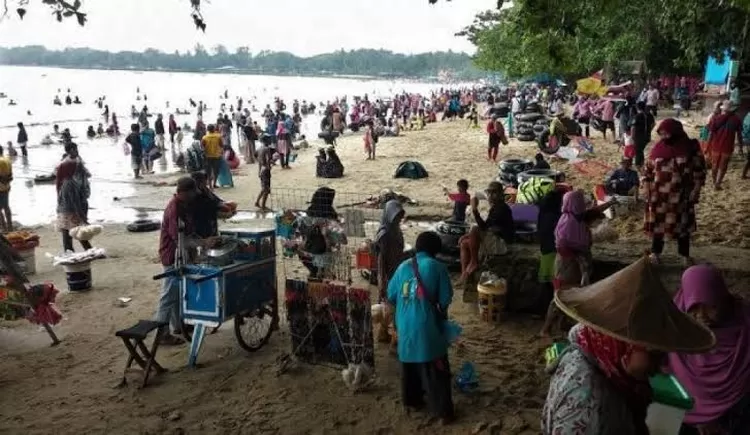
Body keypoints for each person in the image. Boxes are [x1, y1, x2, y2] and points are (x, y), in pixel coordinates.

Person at [543, 256, 716, 434]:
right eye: (655, 354)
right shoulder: (586, 404)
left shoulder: (594, 353)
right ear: (623, 346)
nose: (658, 367)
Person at [670, 264, 750, 435]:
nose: (702, 315)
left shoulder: (745, 330)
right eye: (694, 308)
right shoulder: (675, 334)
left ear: (722, 299)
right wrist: (700, 418)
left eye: (710, 306)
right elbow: (668, 381)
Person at [386, 231, 455, 425]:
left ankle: (413, 402)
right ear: (436, 250)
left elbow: (391, 295)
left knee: (409, 366)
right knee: (436, 369)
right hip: (427, 328)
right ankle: (443, 413)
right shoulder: (438, 267)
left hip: (405, 327)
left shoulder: (402, 267)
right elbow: (445, 299)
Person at [539, 190, 613, 337]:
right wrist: (580, 261)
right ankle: (545, 329)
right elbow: (562, 246)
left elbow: (594, 212)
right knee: (560, 296)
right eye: (581, 203)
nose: (584, 205)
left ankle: (562, 323)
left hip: (579, 265)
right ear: (575, 205)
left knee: (573, 296)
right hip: (567, 266)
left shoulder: (579, 218)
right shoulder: (567, 224)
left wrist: (611, 202)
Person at [643, 118, 706, 265]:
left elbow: (699, 172)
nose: (663, 137)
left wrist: (696, 190)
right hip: (658, 195)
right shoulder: (658, 148)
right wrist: (647, 189)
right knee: (658, 225)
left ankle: (684, 255)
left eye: (666, 134)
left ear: (675, 132)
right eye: (661, 134)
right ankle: (656, 253)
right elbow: (647, 172)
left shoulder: (691, 149)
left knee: (682, 226)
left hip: (681, 195)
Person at [157, 176, 199, 345]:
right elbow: (178, 238)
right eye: (191, 193)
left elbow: (188, 233)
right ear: (183, 192)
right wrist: (202, 242)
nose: (193, 196)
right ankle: (162, 332)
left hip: (180, 254)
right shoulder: (174, 209)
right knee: (168, 295)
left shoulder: (183, 206)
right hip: (171, 255)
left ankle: (178, 325)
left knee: (177, 292)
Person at [458, 181, 515, 280]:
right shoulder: (496, 207)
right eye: (489, 193)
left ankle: (474, 262)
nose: (491, 196)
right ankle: (464, 274)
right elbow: (486, 227)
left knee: (474, 229)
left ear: (501, 194)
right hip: (495, 238)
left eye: (494, 192)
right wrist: (467, 236)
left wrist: (475, 210)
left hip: (502, 243)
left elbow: (484, 227)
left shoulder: (501, 208)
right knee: (464, 243)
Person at [56, 143, 92, 252]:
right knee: (74, 228)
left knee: (69, 229)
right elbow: (74, 201)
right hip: (70, 205)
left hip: (69, 205)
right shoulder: (69, 180)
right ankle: (86, 249)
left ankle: (70, 250)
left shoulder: (67, 179)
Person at [374, 200, 406, 302]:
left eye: (400, 216)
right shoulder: (384, 234)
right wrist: (381, 280)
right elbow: (381, 259)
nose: (399, 219)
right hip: (388, 270)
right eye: (397, 216)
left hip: (397, 266)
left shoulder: (396, 230)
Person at [708, 102, 742, 189]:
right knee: (723, 167)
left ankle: (714, 181)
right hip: (727, 146)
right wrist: (740, 147)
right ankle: (718, 183)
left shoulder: (715, 118)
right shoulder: (736, 119)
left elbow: (710, 133)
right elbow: (739, 135)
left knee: (714, 165)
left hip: (715, 145)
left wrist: (708, 145)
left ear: (722, 109)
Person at [628, 101, 656, 170]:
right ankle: (643, 164)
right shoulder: (649, 115)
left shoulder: (637, 116)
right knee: (644, 151)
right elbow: (653, 124)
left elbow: (633, 127)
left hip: (638, 137)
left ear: (637, 107)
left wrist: (632, 137)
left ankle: (639, 165)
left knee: (638, 151)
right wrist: (649, 130)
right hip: (647, 136)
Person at [201, 124, 223, 188]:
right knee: (216, 171)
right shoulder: (218, 136)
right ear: (214, 129)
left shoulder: (204, 137)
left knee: (208, 171)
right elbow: (221, 145)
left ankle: (210, 185)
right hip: (216, 156)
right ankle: (214, 183)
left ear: (207, 130)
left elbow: (202, 147)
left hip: (207, 156)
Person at [255, 143, 272, 210]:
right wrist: (269, 165)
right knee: (266, 189)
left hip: (261, 169)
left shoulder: (259, 148)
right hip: (265, 170)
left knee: (263, 188)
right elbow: (268, 159)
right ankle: (263, 206)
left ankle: (257, 202)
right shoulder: (267, 149)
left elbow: (255, 155)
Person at [0, 149, 13, 231]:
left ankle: (3, 227)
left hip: (0, 187)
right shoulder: (7, 159)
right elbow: (11, 175)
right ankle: (10, 226)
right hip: (7, 187)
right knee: (6, 207)